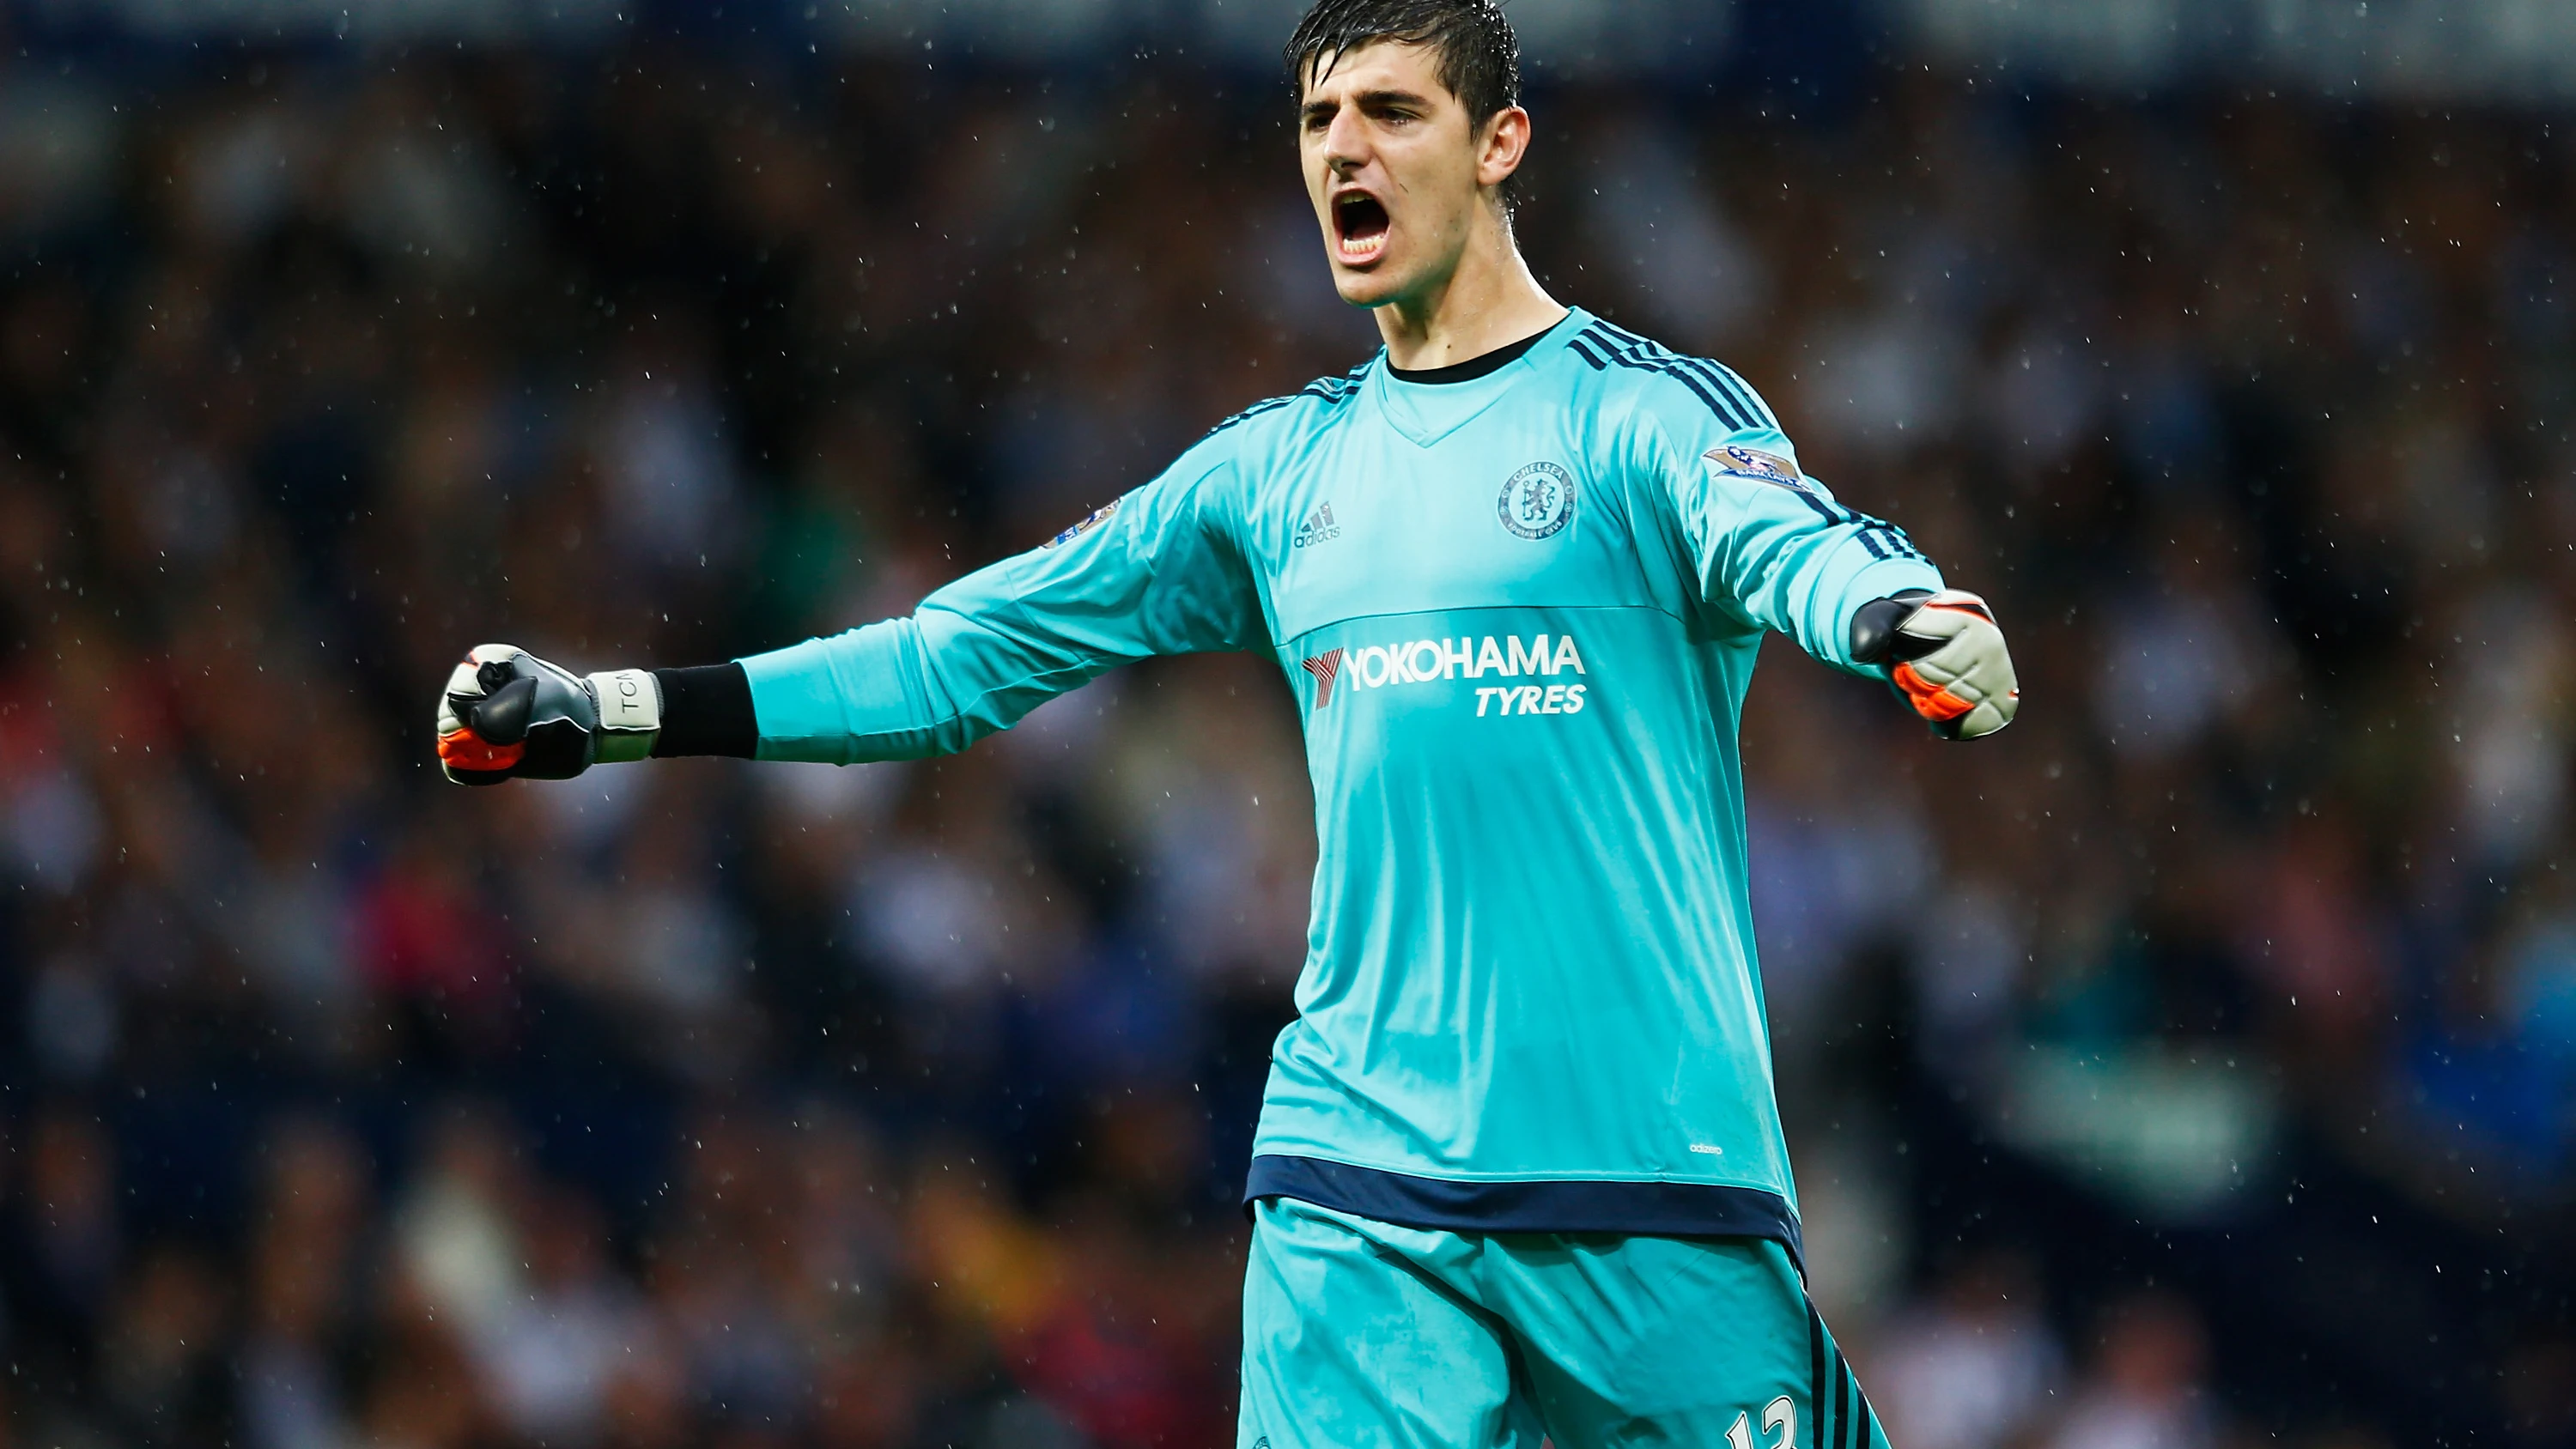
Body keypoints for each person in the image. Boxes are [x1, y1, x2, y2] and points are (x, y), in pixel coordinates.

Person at [430, 0, 2018, 1441]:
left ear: (1500, 145)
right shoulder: (1274, 473)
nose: (1345, 149)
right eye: (1320, 120)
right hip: (1359, 1187)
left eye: (1393, 112)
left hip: (1654, 1181)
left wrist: (1900, 618)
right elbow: (950, 661)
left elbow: (1790, 541)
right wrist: (616, 710)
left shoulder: (1642, 412)